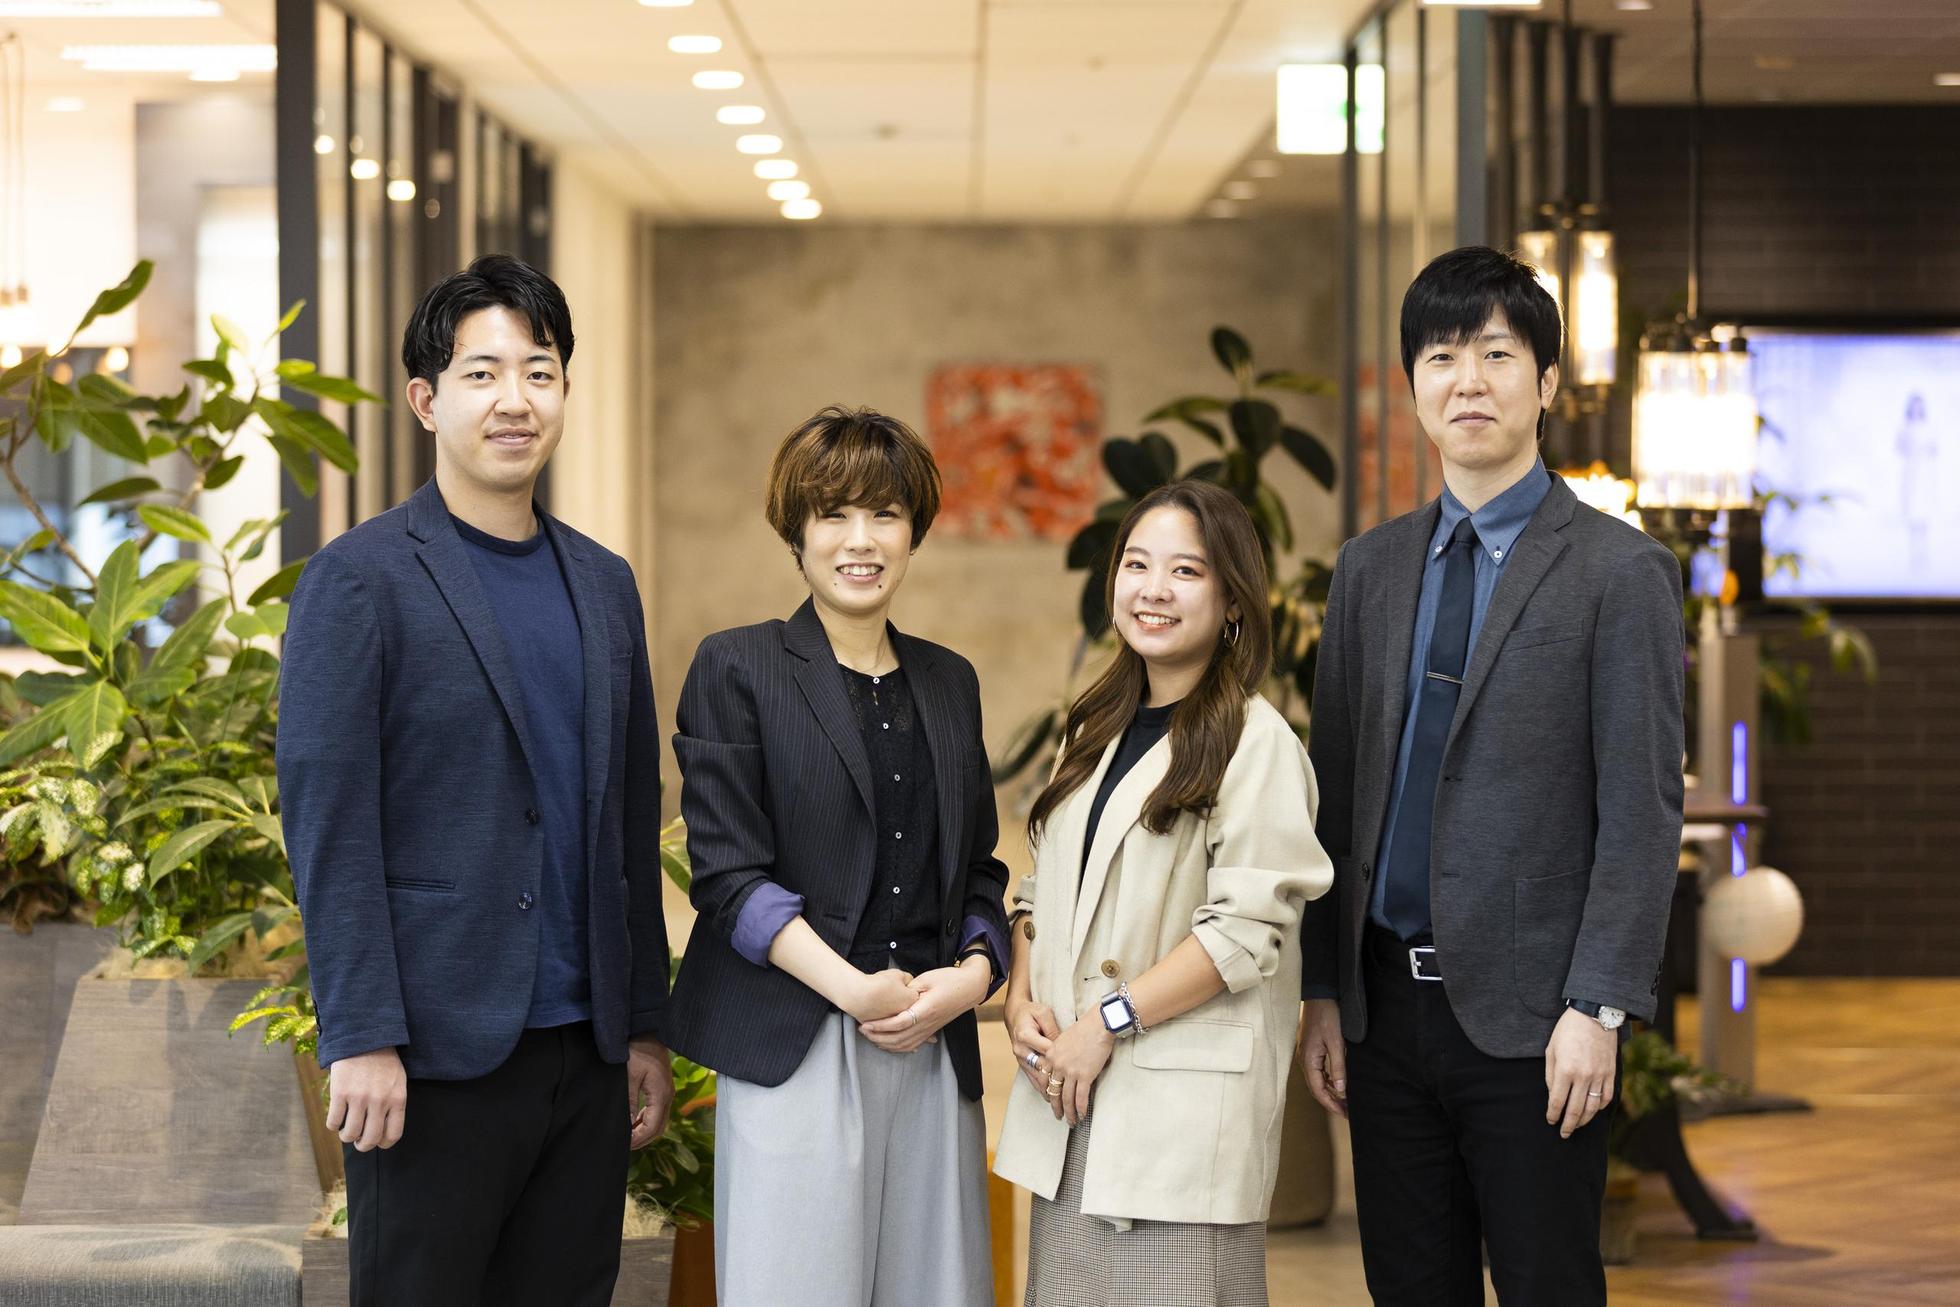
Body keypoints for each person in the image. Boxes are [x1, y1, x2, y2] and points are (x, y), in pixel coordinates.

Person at [278, 254, 673, 1307]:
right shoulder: (359, 579)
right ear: (427, 399)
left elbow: (629, 818)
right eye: (482, 373)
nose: (515, 400)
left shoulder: (604, 583)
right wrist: (360, 1032)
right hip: (431, 1052)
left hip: (584, 1051)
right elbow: (329, 825)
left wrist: (642, 1021)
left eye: (539, 373)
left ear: (565, 391)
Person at [1297, 245, 1685, 1306]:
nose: (1467, 380)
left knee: (1547, 1283)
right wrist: (1324, 989)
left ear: (1546, 382)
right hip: (1383, 1011)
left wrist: (1599, 1005)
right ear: (1414, 385)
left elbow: (1642, 809)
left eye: (1497, 354)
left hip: (1538, 1017)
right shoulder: (1369, 569)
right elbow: (1335, 794)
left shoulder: (1620, 572)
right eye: (1441, 356)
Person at [661, 405, 1010, 1307]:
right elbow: (729, 879)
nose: (861, 540)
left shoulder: (950, 680)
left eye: (884, 514)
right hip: (796, 1038)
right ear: (797, 532)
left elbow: (979, 869)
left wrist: (974, 977)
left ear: (914, 530)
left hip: (933, 1040)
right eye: (834, 514)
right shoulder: (738, 667)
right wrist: (853, 989)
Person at [992, 478, 1332, 1307]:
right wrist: (1021, 997)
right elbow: (1042, 886)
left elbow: (1244, 932)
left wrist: (1106, 1022)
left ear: (1232, 600)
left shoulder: (1257, 743)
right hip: (1071, 1097)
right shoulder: (1093, 726)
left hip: (1177, 1117)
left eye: (1186, 571)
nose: (1153, 589)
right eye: (1137, 564)